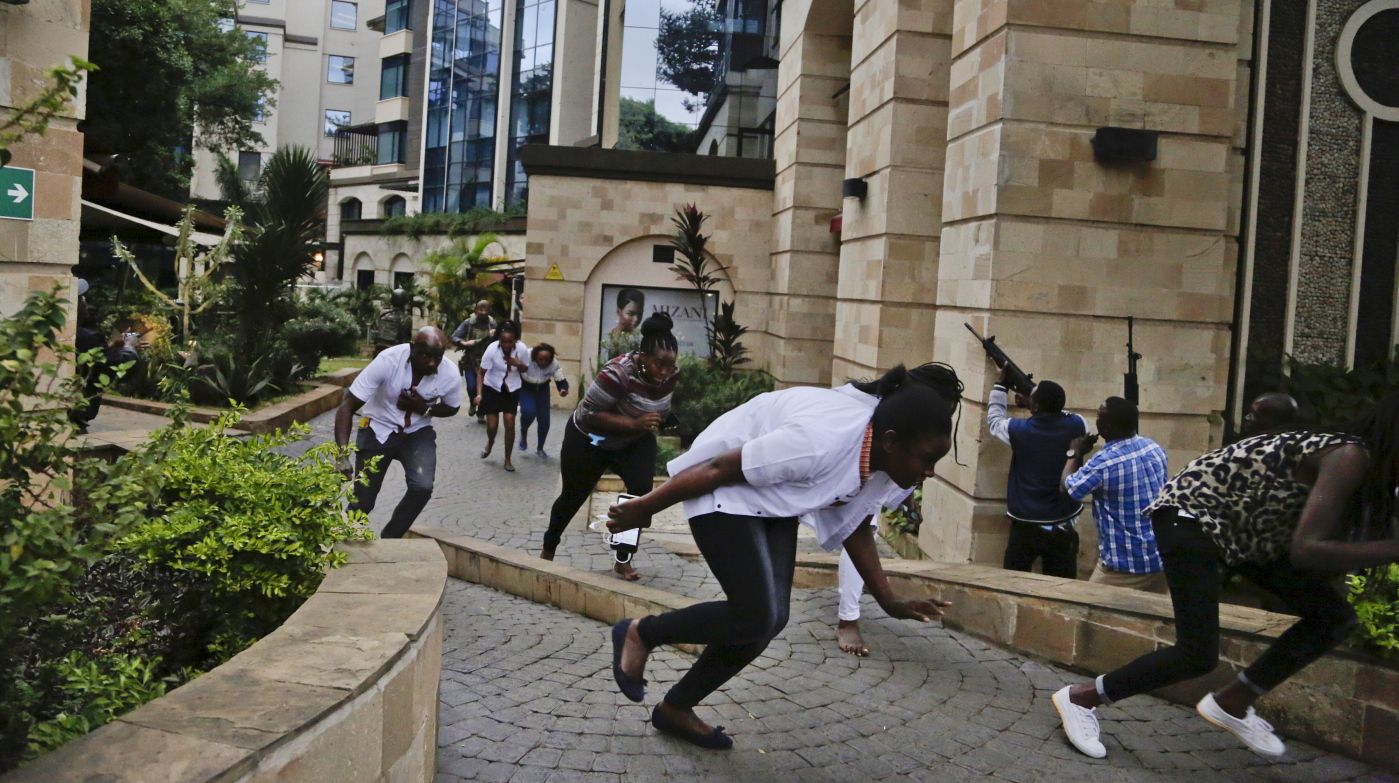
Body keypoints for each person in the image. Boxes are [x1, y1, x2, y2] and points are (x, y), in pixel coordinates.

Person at [604, 365, 958, 749]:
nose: (930, 472)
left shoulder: (880, 456)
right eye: (927, 459)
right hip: (721, 485)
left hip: (773, 499)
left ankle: (676, 708)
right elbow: (719, 467)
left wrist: (890, 602)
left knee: (771, 620)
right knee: (755, 613)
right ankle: (641, 633)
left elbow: (855, 525)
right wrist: (646, 507)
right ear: (893, 439)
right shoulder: (822, 441)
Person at [1052, 392, 1399, 760]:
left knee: (1333, 617)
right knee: (1197, 653)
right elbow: (1308, 549)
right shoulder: (1349, 456)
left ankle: (1232, 701)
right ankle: (1080, 698)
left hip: (1243, 535)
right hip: (1189, 518)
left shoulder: (1362, 463)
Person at [828, 362, 965, 657]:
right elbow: (855, 526)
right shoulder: (864, 422)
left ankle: (851, 607)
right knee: (862, 527)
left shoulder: (896, 435)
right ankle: (847, 619)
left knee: (863, 527)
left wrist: (888, 601)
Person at [541, 313, 679, 581]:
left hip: (634, 440)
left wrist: (662, 419)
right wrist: (634, 422)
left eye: (670, 365)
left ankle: (623, 559)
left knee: (639, 497)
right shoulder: (617, 373)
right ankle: (548, 549)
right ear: (643, 356)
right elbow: (590, 413)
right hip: (590, 439)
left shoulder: (670, 375)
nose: (664, 371)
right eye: (659, 364)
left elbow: (659, 402)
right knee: (573, 495)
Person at [335, 327, 461, 538]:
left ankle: (391, 538)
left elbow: (452, 407)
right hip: (378, 428)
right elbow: (347, 406)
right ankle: (344, 541)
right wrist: (341, 455)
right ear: (412, 349)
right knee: (363, 500)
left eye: (437, 357)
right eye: (426, 356)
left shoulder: (449, 373)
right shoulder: (388, 361)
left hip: (417, 432)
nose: (432, 363)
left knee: (422, 487)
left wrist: (423, 408)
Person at [1061, 397, 1168, 593]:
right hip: (1159, 558)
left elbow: (1068, 489)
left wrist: (1074, 452)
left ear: (1106, 426)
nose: (1096, 421)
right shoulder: (1154, 448)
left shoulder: (1105, 461)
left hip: (1123, 567)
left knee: (1087, 608)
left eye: (1098, 416)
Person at [987, 370, 1087, 579]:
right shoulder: (1078, 424)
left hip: (1025, 524)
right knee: (1062, 586)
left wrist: (1000, 386)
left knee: (1013, 582)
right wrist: (1034, 406)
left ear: (1036, 407)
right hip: (1062, 522)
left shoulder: (1019, 430)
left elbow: (995, 421)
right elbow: (1061, 411)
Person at [70, 278, 145, 430]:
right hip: (77, 413)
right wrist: (129, 347)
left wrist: (116, 347)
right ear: (74, 305)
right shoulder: (87, 337)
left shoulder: (65, 335)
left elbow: (99, 358)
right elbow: (114, 367)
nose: (85, 302)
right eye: (81, 298)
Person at [475, 320, 531, 472]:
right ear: (499, 338)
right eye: (503, 341)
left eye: (510, 341)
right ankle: (490, 442)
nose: (506, 345)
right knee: (492, 426)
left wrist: (517, 364)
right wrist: (479, 394)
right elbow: (481, 373)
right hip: (492, 387)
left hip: (511, 388)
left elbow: (526, 369)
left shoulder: (522, 349)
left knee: (510, 423)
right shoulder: (492, 349)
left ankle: (507, 459)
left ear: (515, 339)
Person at [519, 343, 569, 458]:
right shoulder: (526, 356)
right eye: (540, 359)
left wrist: (563, 389)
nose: (543, 362)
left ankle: (540, 448)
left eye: (546, 360)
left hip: (542, 390)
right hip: (526, 388)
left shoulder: (554, 364)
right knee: (528, 412)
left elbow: (561, 380)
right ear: (535, 357)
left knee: (544, 420)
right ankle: (523, 431)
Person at [451, 300, 497, 421]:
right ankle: (473, 402)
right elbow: (454, 337)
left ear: (489, 311)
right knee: (471, 387)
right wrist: (464, 343)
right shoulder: (468, 323)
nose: (483, 312)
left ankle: (481, 411)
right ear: (476, 310)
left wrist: (495, 335)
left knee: (485, 388)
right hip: (470, 361)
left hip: (487, 362)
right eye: (480, 309)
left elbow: (499, 341)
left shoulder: (492, 324)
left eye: (486, 310)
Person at [600, 288, 645, 362]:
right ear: (618, 311)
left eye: (639, 314)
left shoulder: (640, 341)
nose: (636, 319)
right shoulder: (606, 341)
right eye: (630, 314)